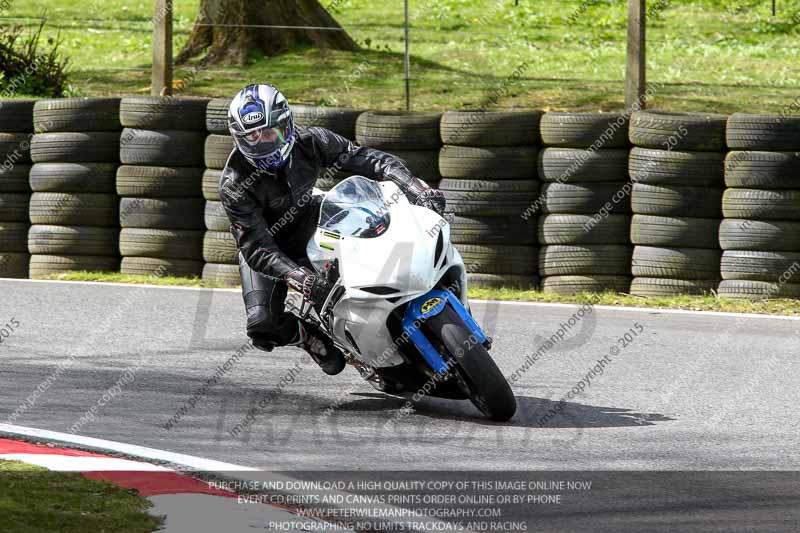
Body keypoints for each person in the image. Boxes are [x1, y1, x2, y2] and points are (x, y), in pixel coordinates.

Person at [219, 84, 446, 376]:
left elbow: (367, 159)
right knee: (262, 325)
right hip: (268, 247)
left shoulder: (312, 141)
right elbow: (255, 246)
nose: (261, 143)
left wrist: (414, 186)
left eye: (268, 132)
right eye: (251, 136)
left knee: (376, 239)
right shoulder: (234, 184)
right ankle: (307, 335)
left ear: (286, 124)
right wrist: (300, 278)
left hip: (314, 217)